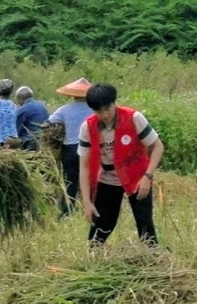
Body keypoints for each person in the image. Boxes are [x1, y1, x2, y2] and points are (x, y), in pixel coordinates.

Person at [78, 83, 164, 246]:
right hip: (107, 179)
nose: (104, 114)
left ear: (114, 103)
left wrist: (148, 177)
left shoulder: (134, 118)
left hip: (137, 177)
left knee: (144, 224)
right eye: (99, 111)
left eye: (107, 109)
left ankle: (153, 259)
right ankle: (95, 257)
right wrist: (87, 202)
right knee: (102, 225)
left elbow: (158, 146)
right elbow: (84, 166)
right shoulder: (87, 128)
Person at [46, 78, 94, 216]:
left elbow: (49, 122)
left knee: (70, 181)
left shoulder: (64, 110)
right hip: (89, 149)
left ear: (73, 95)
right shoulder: (93, 109)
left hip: (70, 149)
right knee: (90, 179)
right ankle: (90, 208)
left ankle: (67, 211)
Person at [14, 86, 50, 152]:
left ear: (20, 98)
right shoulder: (42, 105)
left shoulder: (23, 109)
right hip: (45, 139)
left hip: (31, 142)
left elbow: (17, 131)